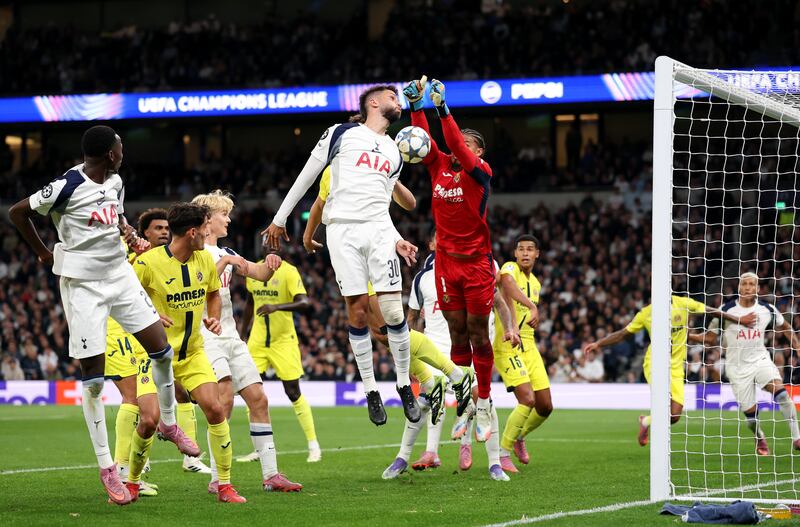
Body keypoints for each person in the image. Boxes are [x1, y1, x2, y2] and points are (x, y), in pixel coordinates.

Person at [8, 125, 195, 505]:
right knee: (93, 382)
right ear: (110, 153)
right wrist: (44, 253)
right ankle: (108, 468)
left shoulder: (116, 181)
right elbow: (17, 212)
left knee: (161, 351)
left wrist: (128, 232)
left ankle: (170, 425)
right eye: (120, 147)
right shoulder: (65, 186)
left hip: (120, 277)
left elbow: (117, 217)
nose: (123, 152)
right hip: (84, 287)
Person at [264, 85, 420, 426]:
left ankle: (404, 384)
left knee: (394, 310)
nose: (399, 102)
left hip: (379, 230)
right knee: (359, 311)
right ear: (373, 103)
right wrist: (280, 218)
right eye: (393, 98)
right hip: (343, 231)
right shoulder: (341, 133)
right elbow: (307, 176)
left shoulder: (394, 150)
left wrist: (397, 239)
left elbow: (384, 205)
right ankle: (370, 391)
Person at [131, 202, 246, 503]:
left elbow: (212, 293)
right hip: (154, 355)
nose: (209, 233)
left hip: (192, 352)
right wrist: (152, 314)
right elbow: (127, 300)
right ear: (193, 232)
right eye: (206, 228)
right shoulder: (147, 263)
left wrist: (212, 315)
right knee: (148, 420)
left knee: (216, 409)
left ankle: (224, 484)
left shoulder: (205, 261)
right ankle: (131, 482)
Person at [190, 190, 303, 492]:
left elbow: (260, 274)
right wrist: (225, 261)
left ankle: (271, 475)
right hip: (206, 337)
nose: (229, 219)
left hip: (231, 336)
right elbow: (197, 288)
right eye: (223, 214)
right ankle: (218, 479)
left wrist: (272, 261)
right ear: (207, 220)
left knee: (258, 399)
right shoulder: (193, 253)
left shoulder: (226, 251)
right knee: (224, 401)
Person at [403, 75, 495, 441]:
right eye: (460, 145)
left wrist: (441, 108)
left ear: (479, 154)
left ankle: (484, 401)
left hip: (476, 263)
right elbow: (423, 144)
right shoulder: (439, 165)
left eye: (469, 146)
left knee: (478, 335)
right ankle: (465, 403)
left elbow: (453, 138)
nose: (459, 149)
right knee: (457, 335)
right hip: (446, 263)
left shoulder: (480, 173)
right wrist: (415, 106)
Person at [583, 294, 756, 446]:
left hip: (676, 367)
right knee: (662, 405)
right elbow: (622, 333)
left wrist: (740, 320)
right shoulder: (646, 313)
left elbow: (712, 310)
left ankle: (646, 421)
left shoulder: (683, 304)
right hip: (655, 364)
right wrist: (598, 343)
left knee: (674, 416)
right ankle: (651, 424)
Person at [699, 272, 800, 455]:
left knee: (782, 394)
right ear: (739, 287)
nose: (747, 287)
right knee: (751, 418)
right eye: (744, 284)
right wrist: (687, 336)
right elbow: (709, 338)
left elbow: (786, 327)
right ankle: (759, 435)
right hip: (737, 368)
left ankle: (797, 438)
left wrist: (797, 346)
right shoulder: (726, 309)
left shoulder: (767, 309)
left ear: (758, 288)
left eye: (751, 284)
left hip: (760, 360)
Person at [239, 246, 320, 464]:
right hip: (257, 341)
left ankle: (313, 445)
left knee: (293, 392)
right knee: (251, 391)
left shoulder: (289, 271)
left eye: (275, 243)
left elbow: (305, 302)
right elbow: (249, 304)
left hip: (283, 341)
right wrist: (241, 334)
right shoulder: (253, 269)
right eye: (267, 242)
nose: (270, 246)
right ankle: (259, 447)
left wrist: (277, 307)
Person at [493, 235, 553, 474]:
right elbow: (505, 283)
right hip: (508, 343)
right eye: (521, 249)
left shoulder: (536, 283)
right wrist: (531, 305)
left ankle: (519, 435)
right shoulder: (510, 268)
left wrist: (530, 307)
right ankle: (503, 453)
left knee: (545, 406)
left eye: (530, 249)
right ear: (515, 253)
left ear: (537, 253)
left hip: (530, 346)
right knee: (527, 399)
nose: (525, 253)